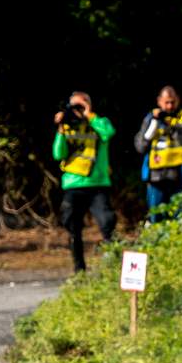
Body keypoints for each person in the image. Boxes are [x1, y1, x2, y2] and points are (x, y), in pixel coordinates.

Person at [52, 92, 115, 273]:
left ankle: (111, 266)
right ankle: (79, 270)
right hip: (74, 184)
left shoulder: (99, 122)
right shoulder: (67, 126)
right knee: (73, 227)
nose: (78, 110)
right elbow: (58, 154)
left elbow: (109, 132)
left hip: (98, 184)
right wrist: (61, 130)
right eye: (75, 106)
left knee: (107, 222)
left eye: (82, 105)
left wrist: (90, 115)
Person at [133, 86, 182, 222]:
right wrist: (154, 123)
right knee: (156, 217)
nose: (170, 106)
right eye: (166, 102)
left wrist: (174, 130)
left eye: (172, 102)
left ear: (178, 100)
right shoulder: (150, 118)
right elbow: (140, 147)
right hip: (156, 177)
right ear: (159, 101)